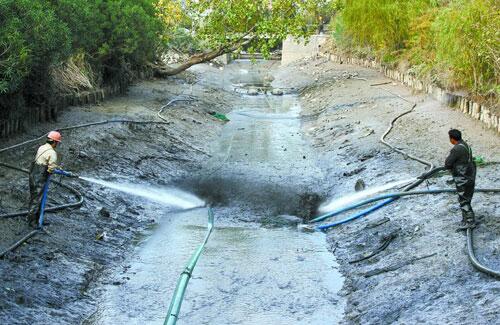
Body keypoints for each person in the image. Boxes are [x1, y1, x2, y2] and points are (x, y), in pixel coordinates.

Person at [27, 131, 63, 228]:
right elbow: (51, 168)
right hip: (40, 176)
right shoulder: (52, 153)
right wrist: (53, 169)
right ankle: (32, 222)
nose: (57, 144)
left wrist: (55, 167)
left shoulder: (41, 147)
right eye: (57, 143)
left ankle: (37, 218)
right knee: (37, 199)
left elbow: (42, 160)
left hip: (33, 174)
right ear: (55, 142)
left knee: (35, 196)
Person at [445, 129, 477, 230]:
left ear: (452, 139)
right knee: (467, 197)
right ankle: (465, 219)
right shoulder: (466, 145)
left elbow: (448, 163)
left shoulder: (456, 149)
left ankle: (470, 222)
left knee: (463, 199)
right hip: (470, 176)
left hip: (462, 177)